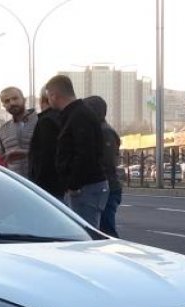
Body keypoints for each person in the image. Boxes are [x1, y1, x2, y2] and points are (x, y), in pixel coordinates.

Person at [43, 74, 107, 227]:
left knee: (85, 234)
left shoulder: (79, 115)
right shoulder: (77, 113)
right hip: (84, 186)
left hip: (85, 187)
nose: (48, 101)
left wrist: (74, 184)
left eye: (48, 97)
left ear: (54, 95)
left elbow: (84, 153)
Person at [82, 95, 122, 237]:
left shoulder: (105, 132)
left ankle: (113, 256)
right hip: (102, 187)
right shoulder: (97, 130)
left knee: (106, 230)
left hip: (108, 188)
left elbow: (107, 163)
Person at [27, 90, 64, 200]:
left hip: (47, 187)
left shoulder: (46, 121)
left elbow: (45, 155)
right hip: (61, 184)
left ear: (42, 100)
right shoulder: (65, 117)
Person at [0, 86, 37, 178]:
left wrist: (26, 153)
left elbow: (51, 151)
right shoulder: (3, 129)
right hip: (17, 185)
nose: (12, 103)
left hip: (42, 184)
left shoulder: (41, 122)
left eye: (15, 98)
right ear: (4, 106)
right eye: (7, 101)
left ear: (24, 100)